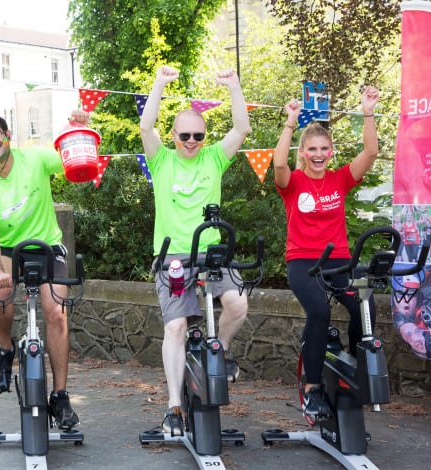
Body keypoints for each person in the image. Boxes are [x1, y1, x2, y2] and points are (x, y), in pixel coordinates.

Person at [138, 65, 251, 435]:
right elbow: (145, 127)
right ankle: (173, 405)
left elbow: (241, 129)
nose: (191, 141)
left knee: (238, 304)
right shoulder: (162, 160)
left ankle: (222, 349)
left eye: (198, 135)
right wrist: (158, 84)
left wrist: (234, 87)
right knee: (176, 327)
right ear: (173, 135)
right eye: (184, 134)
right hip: (172, 256)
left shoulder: (214, 158)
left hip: (213, 253)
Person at [0, 109, 89, 431]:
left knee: (56, 312)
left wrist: (78, 130)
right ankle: (6, 350)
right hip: (7, 249)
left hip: (47, 245)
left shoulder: (35, 159)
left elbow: (73, 162)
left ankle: (60, 395)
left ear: (7, 135)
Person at [273, 87, 381, 418]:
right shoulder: (291, 183)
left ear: (330, 152)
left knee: (364, 306)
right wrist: (291, 124)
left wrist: (367, 112)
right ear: (303, 153)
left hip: (337, 263)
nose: (318, 154)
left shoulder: (339, 180)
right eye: (312, 149)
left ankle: (352, 368)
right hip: (303, 262)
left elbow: (371, 153)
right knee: (319, 311)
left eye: (324, 148)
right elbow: (278, 162)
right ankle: (312, 388)